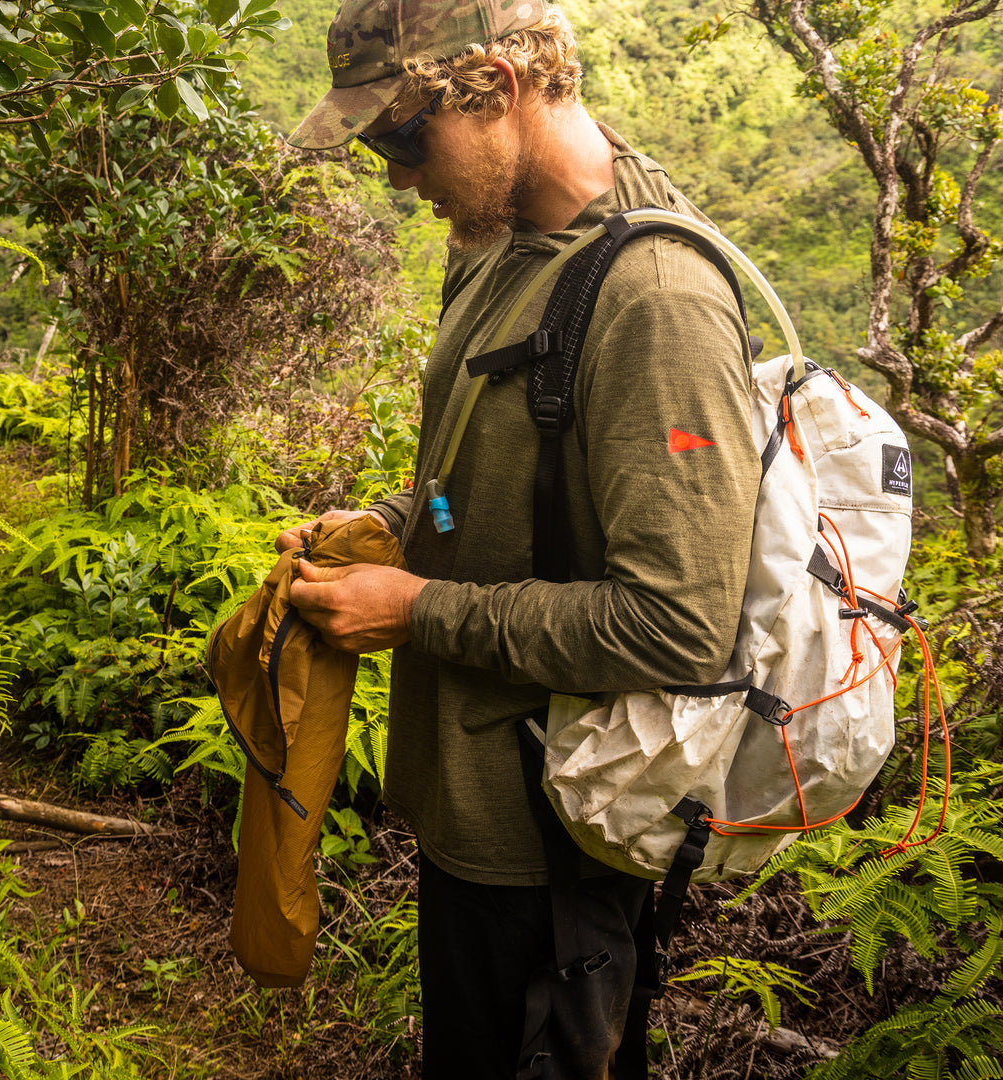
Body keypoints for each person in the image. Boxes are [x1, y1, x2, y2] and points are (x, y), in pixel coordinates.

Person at [281, 2, 760, 1076]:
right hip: (472, 809)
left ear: (497, 87)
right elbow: (479, 467)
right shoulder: (499, 238)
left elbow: (680, 624)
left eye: (405, 137)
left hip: (552, 848)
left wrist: (417, 609)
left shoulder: (656, 298)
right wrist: (394, 526)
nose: (397, 176)